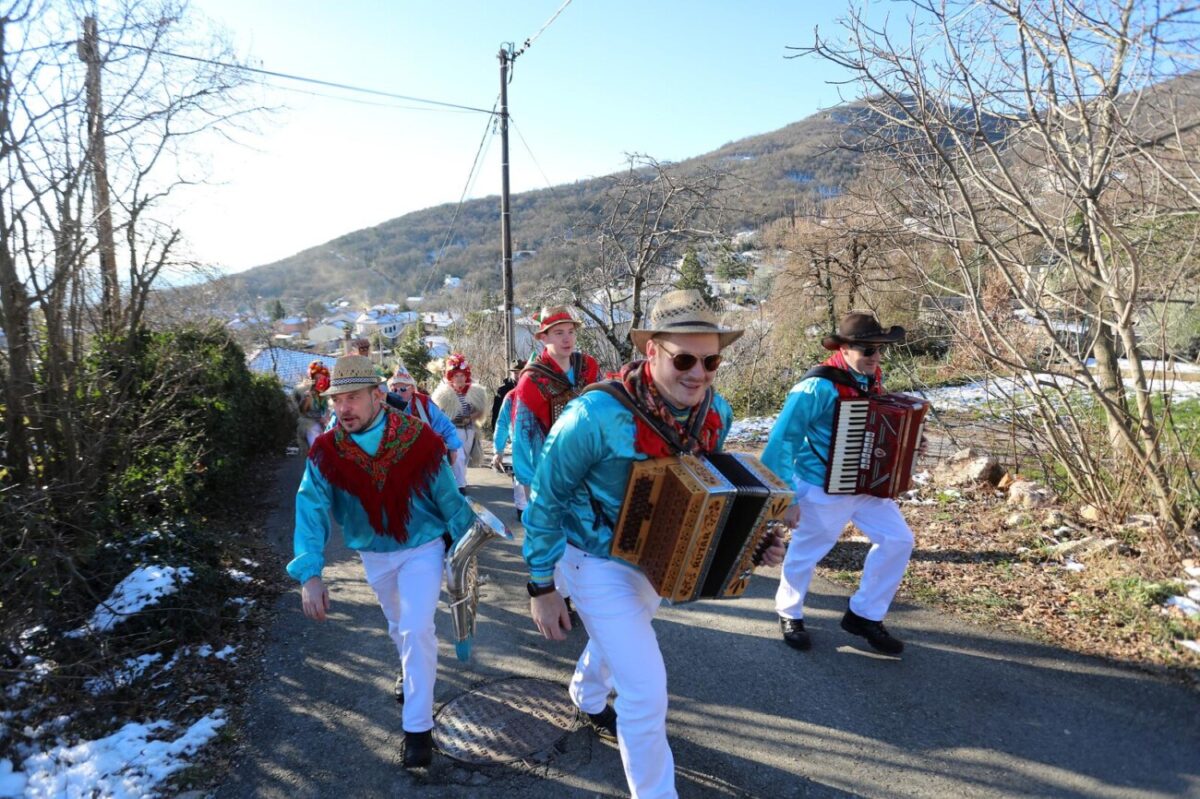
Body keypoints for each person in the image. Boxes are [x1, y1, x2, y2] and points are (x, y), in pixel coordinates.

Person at [523, 290, 785, 799]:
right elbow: (546, 499)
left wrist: (756, 540)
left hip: (656, 562)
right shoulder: (593, 416)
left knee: (623, 634)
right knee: (645, 691)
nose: (699, 372)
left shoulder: (717, 412)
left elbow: (713, 488)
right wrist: (541, 585)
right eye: (684, 359)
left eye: (711, 360)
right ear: (652, 353)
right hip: (593, 560)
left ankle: (586, 692)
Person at [288, 355, 475, 768]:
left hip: (423, 547)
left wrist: (466, 544)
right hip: (373, 554)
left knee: (415, 628)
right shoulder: (326, 450)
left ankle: (418, 729)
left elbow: (447, 494)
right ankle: (411, 676)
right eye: (337, 400)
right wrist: (310, 573)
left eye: (353, 397)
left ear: (378, 395)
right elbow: (311, 509)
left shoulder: (418, 436)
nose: (344, 408)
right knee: (398, 626)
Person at [761, 311, 915, 656]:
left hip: (867, 487)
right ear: (844, 349)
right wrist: (787, 496)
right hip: (820, 484)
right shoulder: (816, 386)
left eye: (879, 349)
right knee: (806, 551)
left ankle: (864, 615)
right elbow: (783, 440)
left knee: (899, 540)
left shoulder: (871, 379)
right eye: (866, 350)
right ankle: (789, 612)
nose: (875, 357)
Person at [509, 306, 600, 507]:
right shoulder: (532, 379)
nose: (567, 339)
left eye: (571, 332)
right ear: (544, 337)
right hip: (550, 465)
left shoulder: (588, 366)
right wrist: (528, 482)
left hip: (590, 462)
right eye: (559, 333)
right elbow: (521, 434)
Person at [430, 353, 489, 490]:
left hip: (469, 430)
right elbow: (438, 414)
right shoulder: (443, 394)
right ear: (451, 376)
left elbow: (481, 411)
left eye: (462, 375)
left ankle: (459, 482)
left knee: (465, 459)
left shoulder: (475, 392)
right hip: (452, 431)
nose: (459, 378)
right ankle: (460, 487)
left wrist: (471, 417)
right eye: (456, 375)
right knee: (458, 458)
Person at [387, 364, 463, 469]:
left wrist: (453, 448)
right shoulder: (386, 405)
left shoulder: (424, 403)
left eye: (403, 389)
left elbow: (445, 425)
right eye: (394, 390)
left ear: (413, 389)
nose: (398, 393)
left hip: (425, 458)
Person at [295, 361, 331, 448]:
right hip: (310, 422)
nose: (320, 380)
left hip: (326, 422)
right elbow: (302, 411)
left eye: (322, 377)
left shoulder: (329, 391)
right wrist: (308, 399)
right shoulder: (305, 391)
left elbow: (330, 408)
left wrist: (327, 418)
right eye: (317, 378)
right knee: (314, 429)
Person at [490, 359, 524, 431]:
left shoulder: (526, 387)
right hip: (507, 429)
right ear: (511, 373)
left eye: (520, 373)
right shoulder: (502, 389)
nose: (518, 376)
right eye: (515, 373)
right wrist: (495, 431)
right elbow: (496, 412)